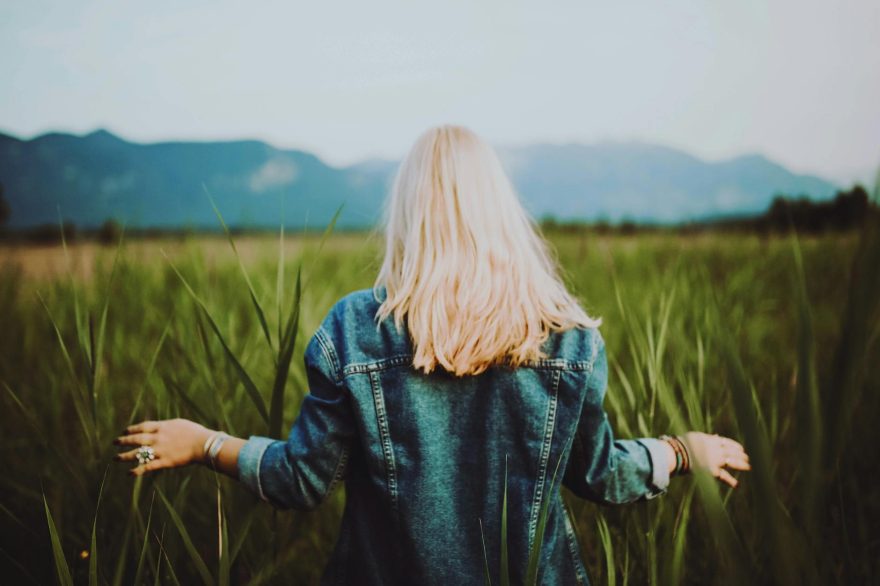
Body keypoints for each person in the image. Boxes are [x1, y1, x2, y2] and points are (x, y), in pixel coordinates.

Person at [115, 125, 750, 584]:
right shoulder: (568, 337)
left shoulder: (356, 330)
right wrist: (678, 450)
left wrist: (202, 442)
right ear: (501, 214)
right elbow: (600, 475)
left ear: (408, 215)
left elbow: (301, 481)